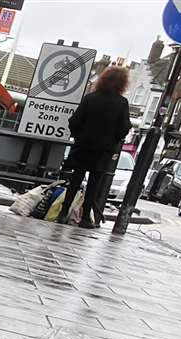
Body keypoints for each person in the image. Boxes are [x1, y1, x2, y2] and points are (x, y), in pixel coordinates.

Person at [59, 65, 132, 229]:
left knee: (75, 181)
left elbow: (74, 121)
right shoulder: (121, 103)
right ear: (123, 83)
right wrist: (114, 139)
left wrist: (79, 136)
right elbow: (124, 127)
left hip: (83, 146)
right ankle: (85, 218)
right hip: (103, 150)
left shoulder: (90, 98)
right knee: (94, 184)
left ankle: (63, 213)